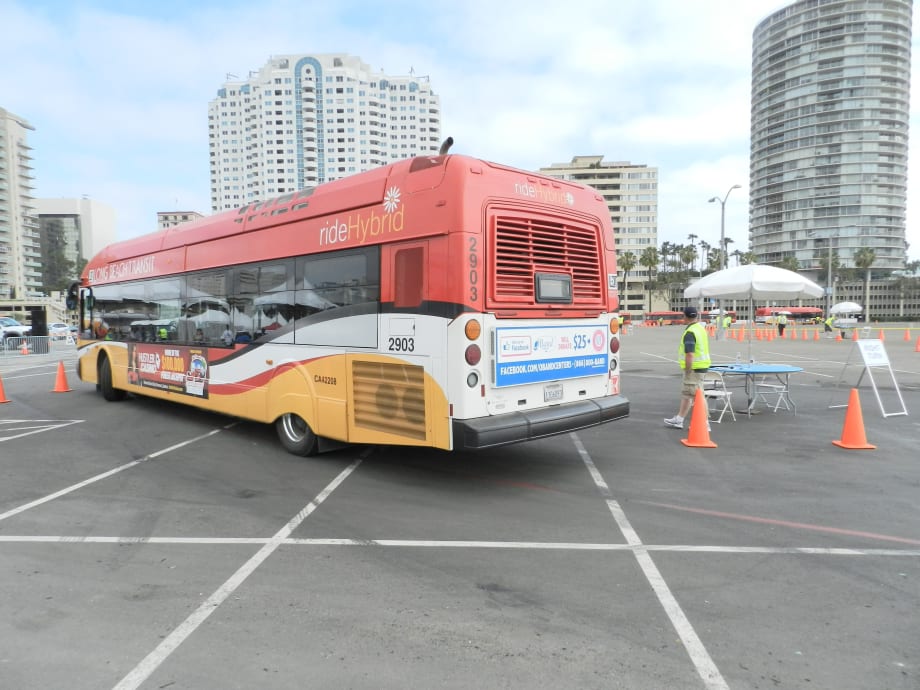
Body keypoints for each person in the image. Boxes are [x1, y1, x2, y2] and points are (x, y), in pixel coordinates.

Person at [664, 306, 711, 429]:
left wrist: (688, 369)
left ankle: (704, 424)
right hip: (701, 366)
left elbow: (690, 353)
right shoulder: (700, 328)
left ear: (685, 316)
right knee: (687, 394)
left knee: (697, 396)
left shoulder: (690, 332)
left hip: (694, 368)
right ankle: (679, 419)